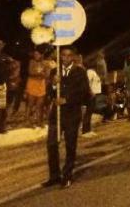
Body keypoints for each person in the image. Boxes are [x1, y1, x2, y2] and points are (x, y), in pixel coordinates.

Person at [42, 46, 89, 189]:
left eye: (69, 55)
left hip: (72, 114)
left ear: (74, 57)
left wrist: (67, 100)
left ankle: (67, 175)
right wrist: (54, 86)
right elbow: (49, 93)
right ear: (60, 56)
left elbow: (84, 93)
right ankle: (54, 176)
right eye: (63, 55)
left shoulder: (80, 72)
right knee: (51, 144)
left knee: (70, 145)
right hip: (56, 114)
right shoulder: (55, 72)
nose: (66, 58)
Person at [25, 49, 48, 128]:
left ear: (41, 55)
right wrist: (40, 74)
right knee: (30, 104)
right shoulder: (31, 62)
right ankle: (28, 121)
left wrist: (41, 74)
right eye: (35, 54)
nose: (36, 56)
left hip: (41, 85)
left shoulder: (45, 63)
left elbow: (46, 74)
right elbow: (30, 72)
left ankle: (39, 121)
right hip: (32, 84)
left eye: (37, 54)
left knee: (40, 105)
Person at [82, 61, 102, 137]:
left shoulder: (92, 72)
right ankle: (85, 131)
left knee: (89, 112)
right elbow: (87, 83)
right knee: (88, 113)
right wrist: (90, 92)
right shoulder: (90, 72)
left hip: (93, 94)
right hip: (90, 94)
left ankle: (88, 130)